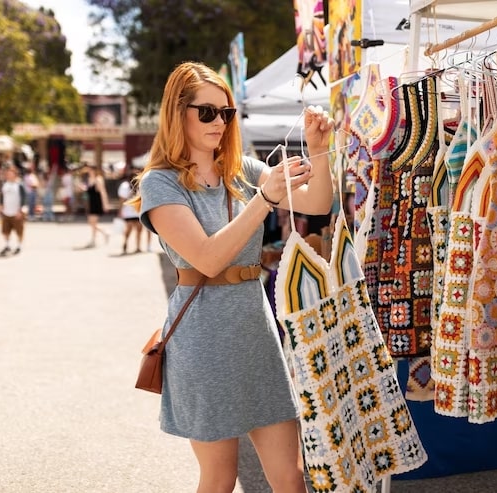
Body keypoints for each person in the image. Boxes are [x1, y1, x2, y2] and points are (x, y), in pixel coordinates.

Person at [131, 61, 333, 492]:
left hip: (254, 330)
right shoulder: (160, 183)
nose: (219, 122)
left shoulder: (240, 168)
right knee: (220, 478)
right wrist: (264, 199)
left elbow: (316, 205)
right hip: (203, 341)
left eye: (226, 113)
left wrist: (318, 150)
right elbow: (206, 259)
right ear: (176, 112)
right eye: (207, 112)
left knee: (291, 478)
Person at [0, 165, 26, 255]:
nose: (9, 175)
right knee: (5, 231)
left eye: (11, 174)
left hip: (16, 212)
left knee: (19, 231)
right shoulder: (5, 185)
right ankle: (7, 245)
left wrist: (20, 210)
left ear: (15, 175)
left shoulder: (19, 185)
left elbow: (24, 198)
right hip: (6, 212)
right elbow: (1, 196)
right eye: (8, 174)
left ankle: (19, 246)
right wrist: (1, 206)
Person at [80, 164, 110, 247]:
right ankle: (94, 239)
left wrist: (105, 204)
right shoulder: (89, 179)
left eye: (90, 170)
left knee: (92, 222)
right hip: (91, 203)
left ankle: (103, 233)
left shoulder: (98, 179)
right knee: (92, 222)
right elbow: (89, 190)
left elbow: (103, 192)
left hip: (97, 203)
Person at [117, 169, 142, 254]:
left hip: (133, 211)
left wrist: (120, 210)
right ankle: (132, 245)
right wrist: (120, 210)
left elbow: (121, 200)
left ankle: (134, 245)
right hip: (133, 211)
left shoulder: (140, 185)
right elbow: (122, 199)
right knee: (136, 229)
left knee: (132, 229)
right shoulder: (126, 186)